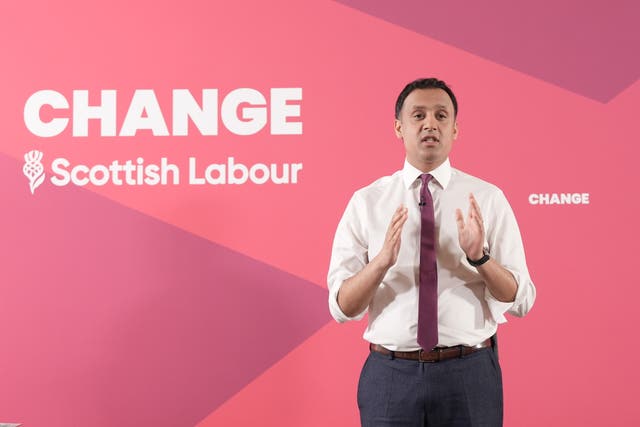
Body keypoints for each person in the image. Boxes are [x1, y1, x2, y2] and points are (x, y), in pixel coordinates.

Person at [327, 78, 536, 426]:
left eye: (441, 116)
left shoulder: (487, 199)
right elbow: (341, 307)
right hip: (390, 377)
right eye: (418, 115)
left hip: (469, 375)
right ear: (399, 127)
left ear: (455, 129)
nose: (430, 124)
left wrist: (479, 259)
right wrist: (380, 263)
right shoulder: (367, 202)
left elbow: (521, 300)